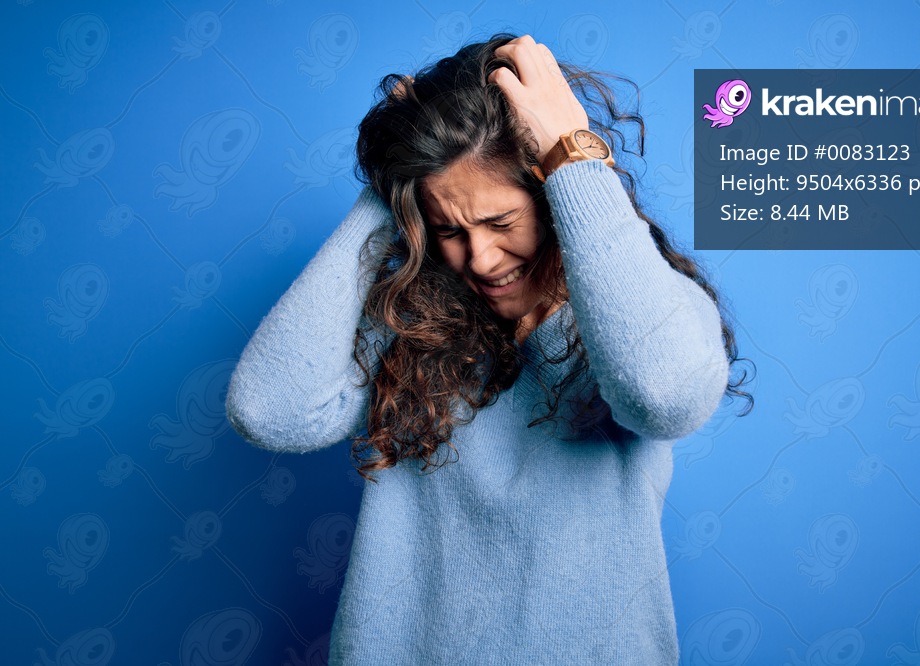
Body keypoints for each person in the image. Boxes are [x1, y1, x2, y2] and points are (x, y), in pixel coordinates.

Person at [226, 32, 751, 666]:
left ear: (556, 201)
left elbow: (665, 397)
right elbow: (269, 411)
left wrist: (573, 156)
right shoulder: (407, 315)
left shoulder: (647, 305)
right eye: (449, 229)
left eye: (501, 222)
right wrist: (393, 181)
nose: (479, 257)